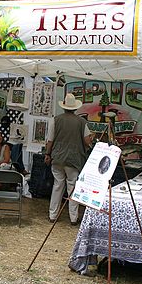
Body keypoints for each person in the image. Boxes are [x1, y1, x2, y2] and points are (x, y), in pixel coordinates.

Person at [44, 93, 93, 225]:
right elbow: (88, 140)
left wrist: (48, 154)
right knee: (72, 188)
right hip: (74, 159)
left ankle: (53, 215)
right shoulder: (82, 122)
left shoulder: (55, 120)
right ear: (75, 108)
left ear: (64, 106)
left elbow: (50, 140)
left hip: (58, 157)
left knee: (57, 186)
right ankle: (73, 218)